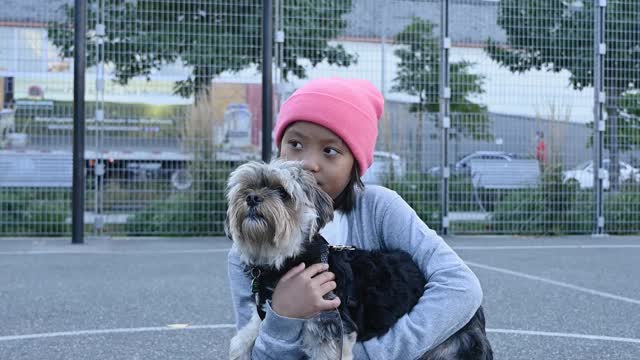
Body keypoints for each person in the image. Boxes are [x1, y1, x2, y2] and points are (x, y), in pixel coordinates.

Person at [227, 77, 483, 359]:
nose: (307, 163)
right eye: (296, 144)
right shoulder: (249, 252)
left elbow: (461, 287)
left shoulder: (380, 208)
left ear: (355, 166)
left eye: (330, 151)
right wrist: (283, 317)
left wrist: (369, 355)